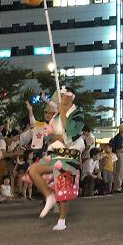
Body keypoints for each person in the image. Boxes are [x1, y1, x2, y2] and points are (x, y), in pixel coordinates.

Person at [26, 90, 85, 231]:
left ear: (70, 97)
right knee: (33, 170)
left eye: (62, 96)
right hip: (54, 154)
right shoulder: (56, 116)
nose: (59, 100)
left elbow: (70, 135)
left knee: (62, 184)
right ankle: (49, 195)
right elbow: (46, 135)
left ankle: (62, 219)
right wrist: (55, 136)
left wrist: (58, 136)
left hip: (69, 155)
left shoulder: (77, 114)